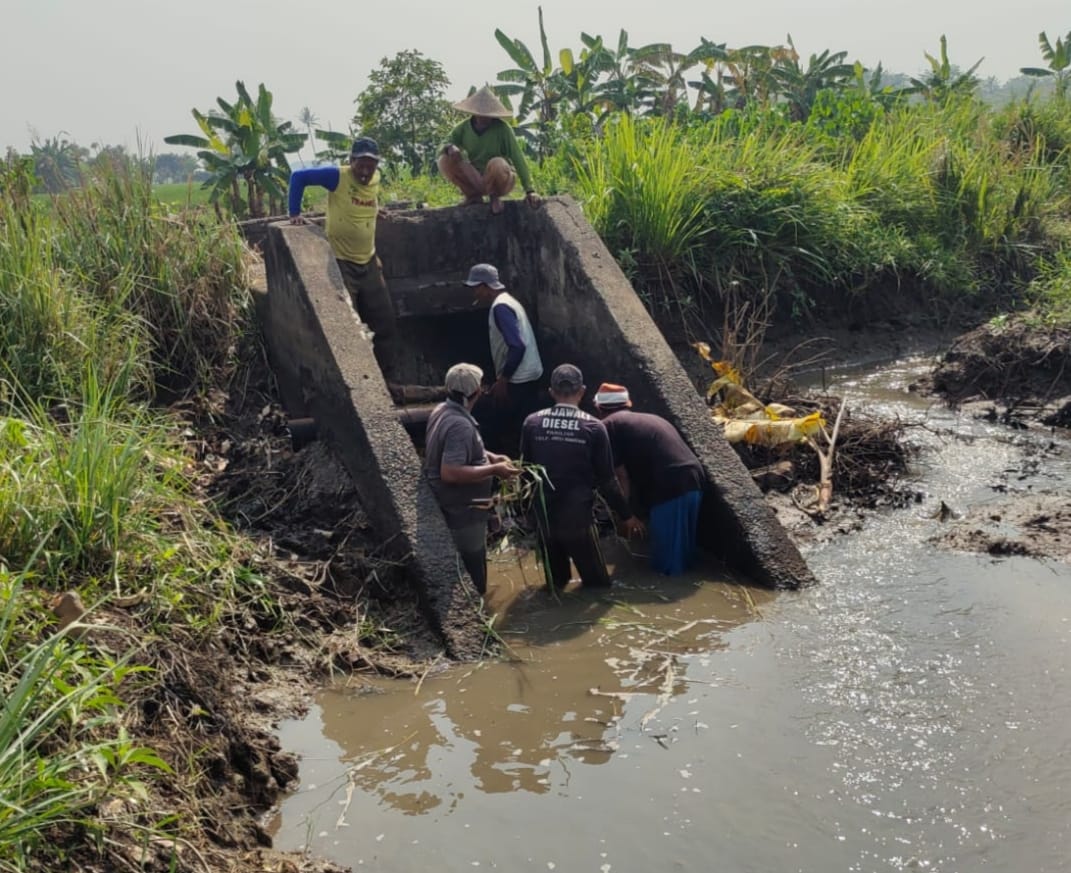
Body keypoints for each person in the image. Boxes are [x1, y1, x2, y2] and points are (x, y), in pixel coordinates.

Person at [520, 364, 645, 590]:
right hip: (577, 517)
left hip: (544, 514)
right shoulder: (593, 427)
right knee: (597, 586)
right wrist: (627, 516)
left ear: (551, 392)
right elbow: (608, 480)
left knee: (555, 585)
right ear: (582, 391)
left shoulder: (531, 423)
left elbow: (525, 471)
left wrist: (529, 513)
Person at [287, 136, 400, 380]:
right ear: (351, 161)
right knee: (352, 327)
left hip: (369, 262)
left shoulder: (376, 179)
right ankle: (360, 380)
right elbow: (298, 177)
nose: (366, 171)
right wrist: (294, 213)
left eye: (371, 165)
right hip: (342, 263)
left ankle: (388, 379)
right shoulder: (337, 176)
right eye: (361, 164)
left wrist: (374, 210)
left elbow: (365, 198)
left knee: (385, 323)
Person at [423, 363, 520, 594]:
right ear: (477, 392)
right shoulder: (459, 425)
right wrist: (493, 471)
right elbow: (450, 472)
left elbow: (465, 452)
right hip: (462, 512)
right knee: (474, 573)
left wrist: (492, 457)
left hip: (460, 507)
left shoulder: (442, 411)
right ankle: (478, 613)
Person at [593, 383, 705, 576]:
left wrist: (625, 516)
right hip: (693, 480)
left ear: (598, 408)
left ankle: (670, 592)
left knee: (667, 566)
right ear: (628, 404)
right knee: (683, 554)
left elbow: (620, 477)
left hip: (670, 486)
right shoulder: (649, 418)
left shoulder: (607, 426)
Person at [465, 262, 543, 452]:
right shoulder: (510, 301)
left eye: (476, 288)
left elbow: (517, 345)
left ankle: (500, 462)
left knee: (490, 423)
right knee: (520, 425)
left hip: (518, 378)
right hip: (530, 374)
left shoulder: (500, 307)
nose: (474, 293)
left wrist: (503, 380)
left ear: (485, 287)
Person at [438, 85, 541, 215]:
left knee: (497, 163)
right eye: (480, 114)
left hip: (500, 178)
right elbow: (443, 143)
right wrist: (449, 147)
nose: (484, 118)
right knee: (444, 160)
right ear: (474, 112)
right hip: (475, 178)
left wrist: (529, 190)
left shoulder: (502, 129)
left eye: (487, 115)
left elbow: (517, 157)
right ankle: (472, 196)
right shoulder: (463, 128)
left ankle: (494, 196)